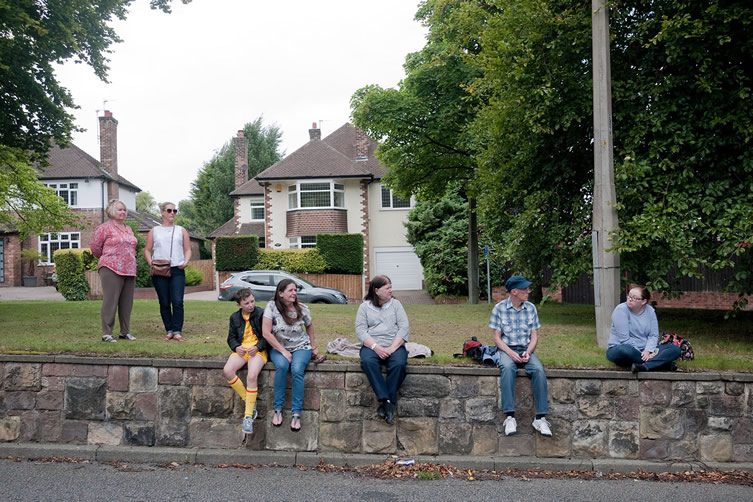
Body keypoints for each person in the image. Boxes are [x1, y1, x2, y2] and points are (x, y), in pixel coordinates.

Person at [489, 275, 552, 437]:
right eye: (524, 289)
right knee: (508, 368)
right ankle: (510, 417)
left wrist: (528, 352)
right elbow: (496, 337)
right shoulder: (499, 308)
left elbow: (535, 336)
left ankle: (540, 418)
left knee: (538, 370)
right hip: (506, 349)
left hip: (525, 349)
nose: (528, 291)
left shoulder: (531, 308)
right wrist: (510, 353)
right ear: (514, 292)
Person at [262, 278, 318, 432]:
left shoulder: (302, 308)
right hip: (278, 347)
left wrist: (313, 346)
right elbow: (266, 333)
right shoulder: (271, 307)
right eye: (290, 290)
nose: (294, 293)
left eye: (295, 290)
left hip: (301, 347)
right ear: (280, 293)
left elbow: (310, 326)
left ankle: (296, 413)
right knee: (281, 366)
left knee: (297, 369)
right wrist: (283, 351)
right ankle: (278, 410)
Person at [355, 275, 409, 425]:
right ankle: (387, 400)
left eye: (391, 287)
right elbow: (360, 331)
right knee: (367, 362)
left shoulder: (396, 305)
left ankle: (387, 402)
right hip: (372, 345)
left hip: (394, 344)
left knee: (399, 364)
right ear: (376, 290)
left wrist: (392, 347)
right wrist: (376, 348)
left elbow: (404, 328)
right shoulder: (364, 307)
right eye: (387, 288)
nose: (391, 290)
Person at [90, 199, 138, 343]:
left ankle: (125, 332)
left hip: (129, 269)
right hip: (110, 267)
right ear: (111, 211)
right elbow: (95, 247)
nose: (123, 212)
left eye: (124, 209)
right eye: (119, 209)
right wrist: (108, 258)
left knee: (126, 302)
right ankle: (107, 333)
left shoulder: (128, 228)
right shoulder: (104, 228)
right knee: (111, 301)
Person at [144, 202, 191, 341]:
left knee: (177, 301)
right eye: (169, 210)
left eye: (175, 211)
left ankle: (177, 330)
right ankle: (169, 329)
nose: (172, 213)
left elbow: (188, 249)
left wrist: (186, 261)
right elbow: (147, 250)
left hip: (177, 269)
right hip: (159, 269)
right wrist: (150, 262)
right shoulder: (154, 231)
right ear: (162, 213)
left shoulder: (181, 230)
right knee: (164, 302)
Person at [607, 286, 682, 372]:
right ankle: (663, 365)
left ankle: (645, 366)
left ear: (644, 301)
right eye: (629, 296)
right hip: (622, 348)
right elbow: (624, 339)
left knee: (675, 350)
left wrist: (648, 350)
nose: (630, 299)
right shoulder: (621, 310)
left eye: (634, 298)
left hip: (645, 349)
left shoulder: (650, 311)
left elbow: (653, 335)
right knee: (626, 351)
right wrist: (642, 354)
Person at [223, 288, 267, 434]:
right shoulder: (234, 317)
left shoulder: (261, 314)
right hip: (242, 350)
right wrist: (236, 347)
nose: (250, 305)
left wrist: (258, 346)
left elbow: (268, 336)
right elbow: (231, 338)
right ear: (239, 305)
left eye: (252, 301)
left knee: (252, 375)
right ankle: (250, 402)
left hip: (258, 351)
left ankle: (248, 416)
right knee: (228, 371)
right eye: (246, 303)